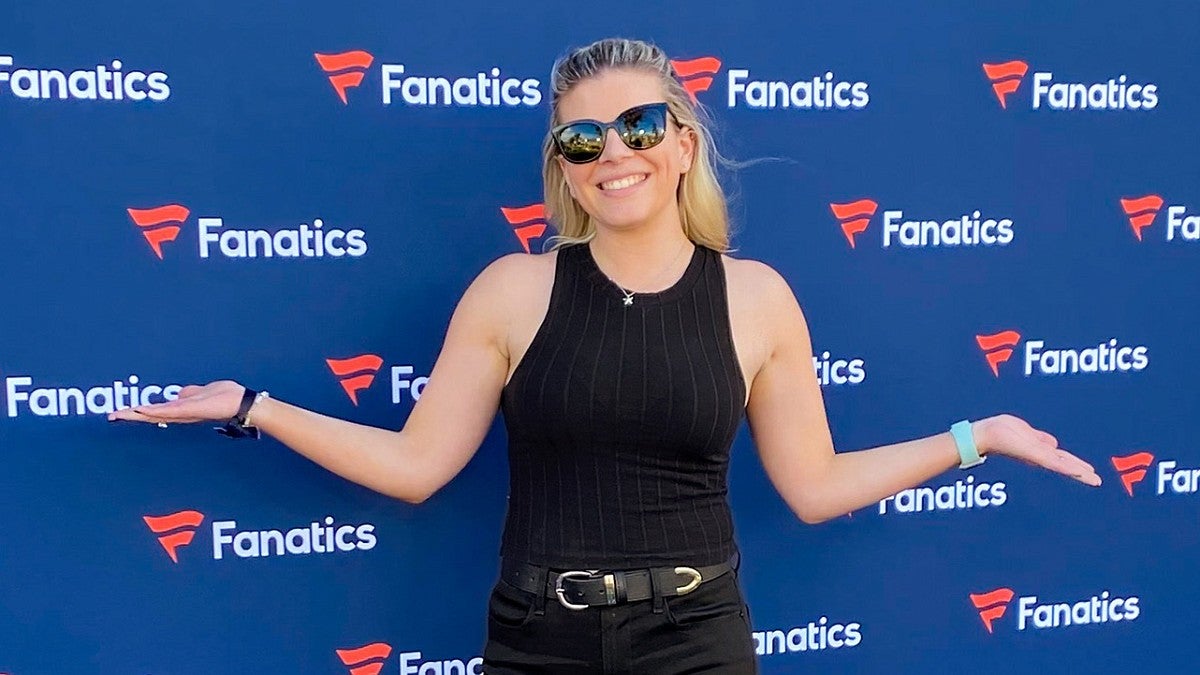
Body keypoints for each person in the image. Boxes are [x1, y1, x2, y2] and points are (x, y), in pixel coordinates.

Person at [109, 38, 1102, 674]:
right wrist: (254, 406)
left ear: (680, 144)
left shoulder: (757, 299)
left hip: (698, 637)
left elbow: (813, 486)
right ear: (567, 171)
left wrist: (982, 436)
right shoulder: (513, 290)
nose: (612, 150)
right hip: (539, 640)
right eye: (582, 138)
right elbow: (415, 469)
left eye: (637, 125)